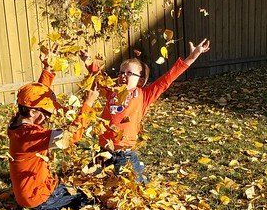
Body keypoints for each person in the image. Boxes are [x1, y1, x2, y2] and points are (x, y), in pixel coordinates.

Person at [85, 38, 210, 182]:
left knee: (134, 188)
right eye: (121, 72)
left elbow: (168, 79)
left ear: (140, 80)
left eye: (129, 73)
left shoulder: (143, 95)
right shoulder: (112, 91)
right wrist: (87, 60)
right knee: (94, 186)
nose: (123, 75)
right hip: (103, 151)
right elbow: (100, 78)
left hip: (124, 154)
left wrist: (192, 57)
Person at [8, 63, 99, 210]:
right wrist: (88, 105)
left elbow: (35, 97)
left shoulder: (18, 122)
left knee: (68, 188)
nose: (49, 117)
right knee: (88, 200)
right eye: (46, 113)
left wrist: (48, 74)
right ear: (33, 112)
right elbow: (70, 137)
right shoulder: (30, 136)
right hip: (38, 197)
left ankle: (35, 207)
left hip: (30, 190)